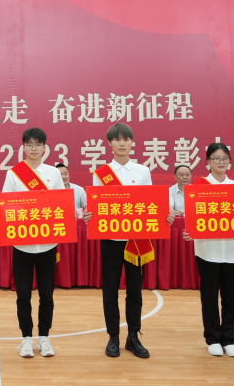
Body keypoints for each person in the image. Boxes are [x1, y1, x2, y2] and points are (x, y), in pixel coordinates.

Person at [0, 127, 63, 359]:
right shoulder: (14, 174)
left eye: (38, 144)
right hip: (22, 245)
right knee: (23, 295)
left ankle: (44, 337)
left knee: (47, 295)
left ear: (45, 147)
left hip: (48, 244)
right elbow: (5, 204)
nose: (34, 148)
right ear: (23, 147)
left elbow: (61, 204)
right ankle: (26, 338)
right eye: (29, 144)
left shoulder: (53, 173)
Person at [89, 123, 152, 359]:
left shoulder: (142, 171)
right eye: (117, 139)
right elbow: (98, 205)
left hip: (136, 240)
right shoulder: (101, 173)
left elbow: (149, 203)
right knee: (110, 291)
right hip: (111, 240)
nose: (122, 143)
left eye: (126, 139)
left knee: (135, 291)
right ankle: (113, 336)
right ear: (110, 143)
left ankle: (133, 336)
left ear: (132, 142)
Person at [184, 143, 234, 358]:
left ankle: (229, 339)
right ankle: (212, 339)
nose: (221, 162)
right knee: (209, 298)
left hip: (233, 251)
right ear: (208, 162)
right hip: (207, 251)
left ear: (230, 161)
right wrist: (190, 231)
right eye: (216, 158)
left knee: (231, 299)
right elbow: (192, 217)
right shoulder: (199, 187)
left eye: (225, 158)